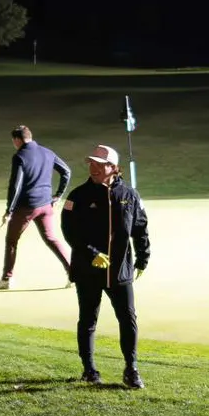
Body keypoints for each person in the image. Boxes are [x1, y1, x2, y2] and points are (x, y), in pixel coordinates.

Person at [61, 144, 150, 388]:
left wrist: (143, 258)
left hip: (120, 270)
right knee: (88, 320)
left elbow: (140, 228)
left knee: (128, 318)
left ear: (113, 167)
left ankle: (131, 369)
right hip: (88, 269)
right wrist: (91, 253)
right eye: (91, 163)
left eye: (99, 164)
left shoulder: (130, 196)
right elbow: (69, 231)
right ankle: (89, 369)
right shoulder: (77, 196)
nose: (93, 168)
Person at [0, 125, 73, 289]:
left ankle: (7, 279)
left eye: (14, 141)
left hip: (26, 207)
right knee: (51, 238)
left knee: (11, 240)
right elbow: (66, 172)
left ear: (17, 140)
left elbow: (16, 185)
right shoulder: (47, 152)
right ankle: (73, 273)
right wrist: (58, 195)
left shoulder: (20, 156)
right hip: (46, 205)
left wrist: (9, 210)